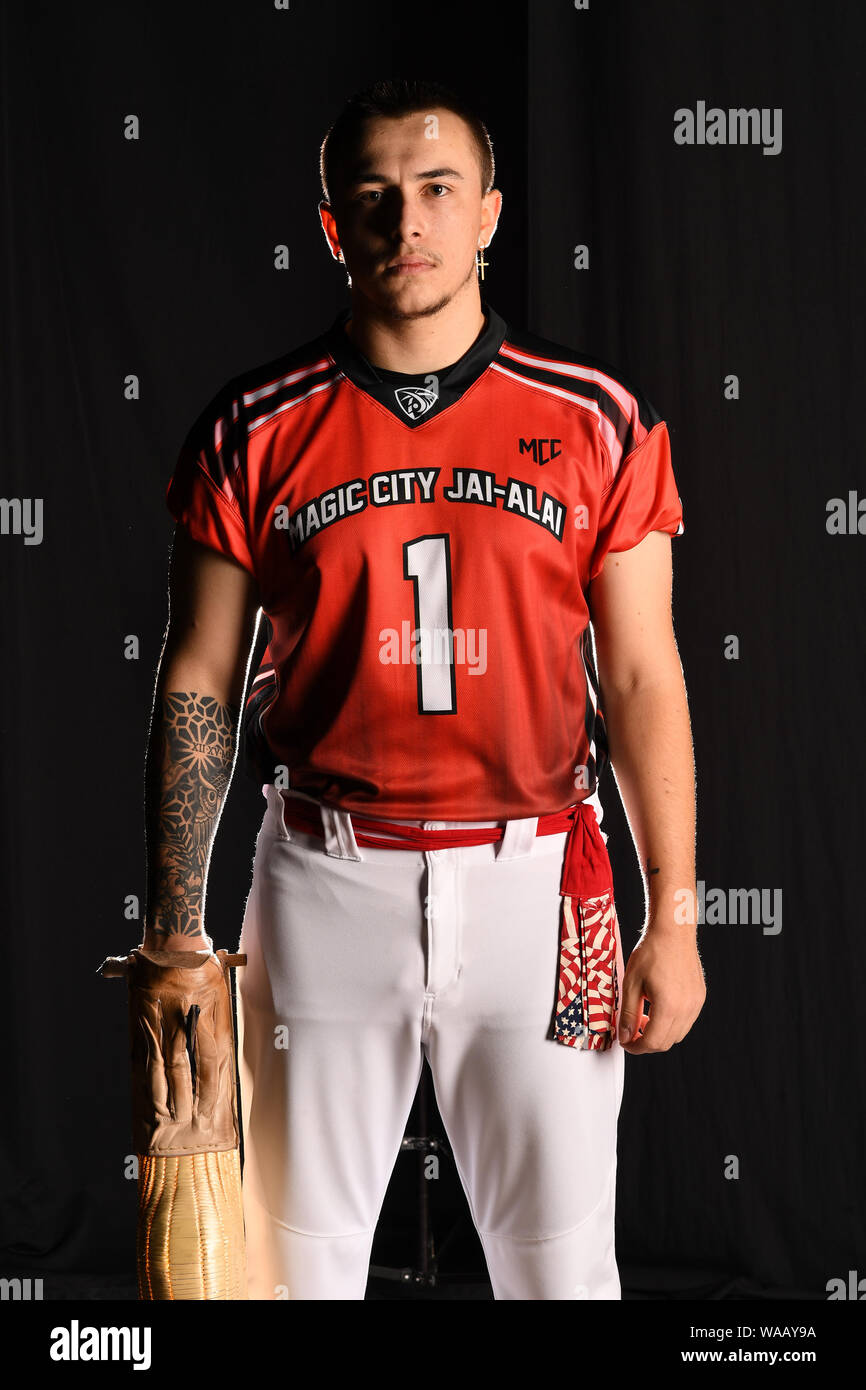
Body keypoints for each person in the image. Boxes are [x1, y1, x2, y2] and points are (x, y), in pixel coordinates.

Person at [143, 78, 706, 1301]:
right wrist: (178, 932)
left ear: (490, 213)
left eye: (439, 190)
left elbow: (644, 671)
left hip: (541, 880)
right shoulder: (252, 427)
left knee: (562, 1271)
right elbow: (197, 678)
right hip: (321, 878)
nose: (410, 222)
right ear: (334, 224)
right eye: (375, 197)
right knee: (283, 1273)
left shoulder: (596, 417)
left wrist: (675, 911)